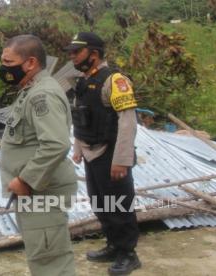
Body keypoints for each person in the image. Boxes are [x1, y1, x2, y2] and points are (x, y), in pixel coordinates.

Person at [0, 34, 77, 276]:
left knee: (50, 263)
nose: (3, 69)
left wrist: (25, 180)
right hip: (34, 193)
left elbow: (56, 144)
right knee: (42, 258)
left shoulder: (42, 95)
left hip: (41, 192)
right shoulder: (30, 90)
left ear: (30, 63)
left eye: (9, 63)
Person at [65, 32, 141, 275]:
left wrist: (121, 161)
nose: (72, 56)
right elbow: (79, 118)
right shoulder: (82, 82)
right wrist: (78, 148)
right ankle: (113, 245)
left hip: (111, 154)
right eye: (71, 52)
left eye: (77, 52)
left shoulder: (115, 81)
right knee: (101, 203)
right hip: (91, 153)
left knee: (120, 206)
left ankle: (128, 254)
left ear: (94, 54)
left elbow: (128, 123)